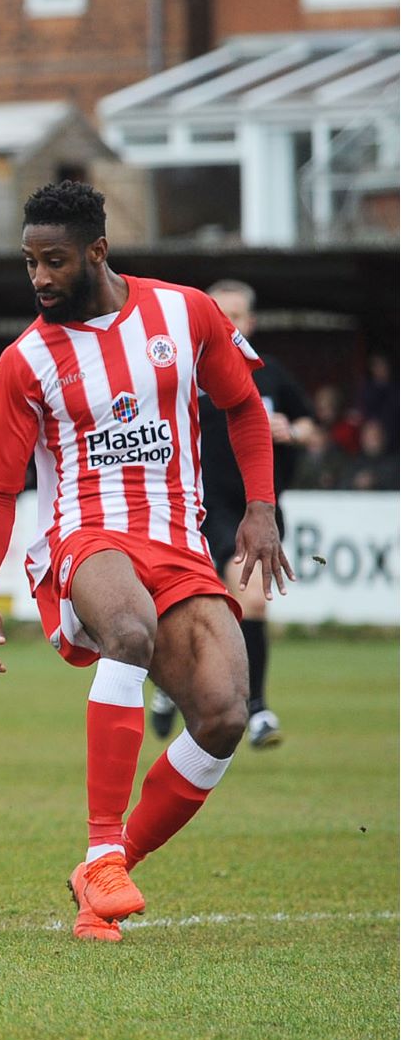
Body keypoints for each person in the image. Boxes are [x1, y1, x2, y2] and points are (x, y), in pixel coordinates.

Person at [0, 181, 291, 943]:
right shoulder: (25, 361)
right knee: (130, 632)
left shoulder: (186, 312)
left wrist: (260, 508)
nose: (40, 278)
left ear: (97, 251)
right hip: (85, 536)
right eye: (29, 263)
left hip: (178, 540)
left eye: (54, 261)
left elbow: (243, 406)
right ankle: (103, 846)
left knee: (223, 714)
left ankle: (103, 877)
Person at [148, 280, 316, 749]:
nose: (228, 324)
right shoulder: (182, 371)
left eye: (236, 316)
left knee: (253, 601)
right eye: (219, 314)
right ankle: (173, 684)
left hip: (255, 508)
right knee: (187, 607)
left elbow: (311, 425)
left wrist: (293, 431)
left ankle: (256, 709)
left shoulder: (271, 375)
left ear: (251, 323)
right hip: (195, 506)